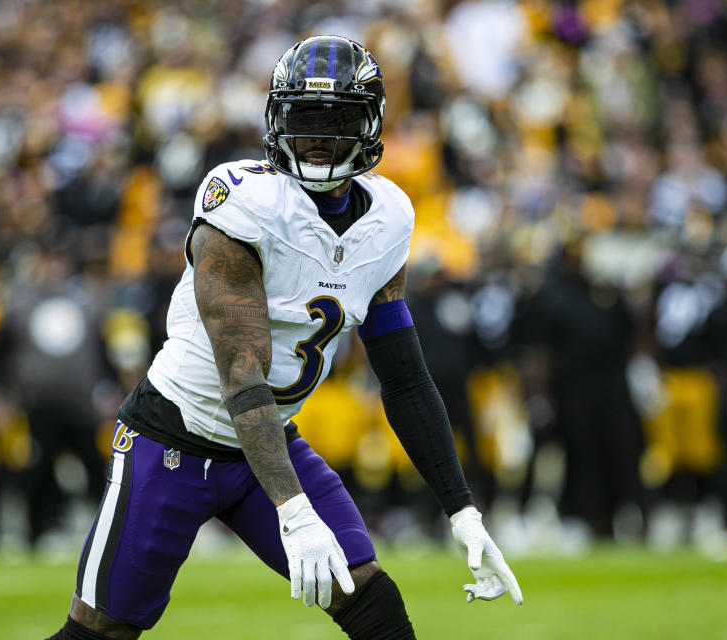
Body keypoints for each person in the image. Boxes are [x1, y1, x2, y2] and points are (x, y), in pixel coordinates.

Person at [46, 36, 522, 640]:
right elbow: (242, 372)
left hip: (268, 440)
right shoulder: (244, 202)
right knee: (101, 631)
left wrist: (462, 510)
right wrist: (295, 513)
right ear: (276, 121)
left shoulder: (389, 219)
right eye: (304, 118)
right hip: (175, 435)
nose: (319, 137)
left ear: (370, 124)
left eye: (338, 119)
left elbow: (403, 376)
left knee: (372, 602)